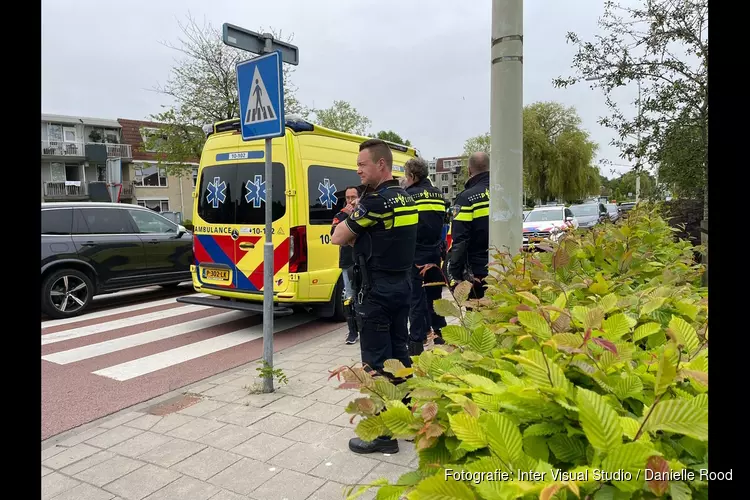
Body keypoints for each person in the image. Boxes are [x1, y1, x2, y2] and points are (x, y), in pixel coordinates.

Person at [331, 138, 418, 455]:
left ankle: (382, 436)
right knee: (400, 356)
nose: (358, 170)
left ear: (381, 165)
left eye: (362, 165)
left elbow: (337, 236)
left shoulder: (375, 202)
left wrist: (351, 220)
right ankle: (406, 421)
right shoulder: (406, 198)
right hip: (401, 286)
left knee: (376, 362)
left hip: (377, 292)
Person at [402, 157, 449, 355]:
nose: (404, 180)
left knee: (416, 300)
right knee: (434, 296)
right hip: (435, 252)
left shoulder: (408, 196)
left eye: (405, 176)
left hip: (415, 254)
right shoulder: (439, 195)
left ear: (412, 176)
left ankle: (416, 342)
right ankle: (440, 334)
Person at [447, 151, 490, 299]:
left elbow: (460, 240)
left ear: (469, 170)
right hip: (505, 267)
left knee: (476, 318)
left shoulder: (466, 198)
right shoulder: (503, 191)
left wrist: (454, 273)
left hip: (477, 271)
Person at [331, 186, 362, 345]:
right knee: (349, 296)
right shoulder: (340, 215)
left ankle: (364, 328)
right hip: (347, 261)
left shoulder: (364, 212)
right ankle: (352, 332)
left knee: (362, 296)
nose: (350, 200)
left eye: (353, 197)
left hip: (362, 260)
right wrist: (347, 216)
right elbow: (334, 234)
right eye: (348, 197)